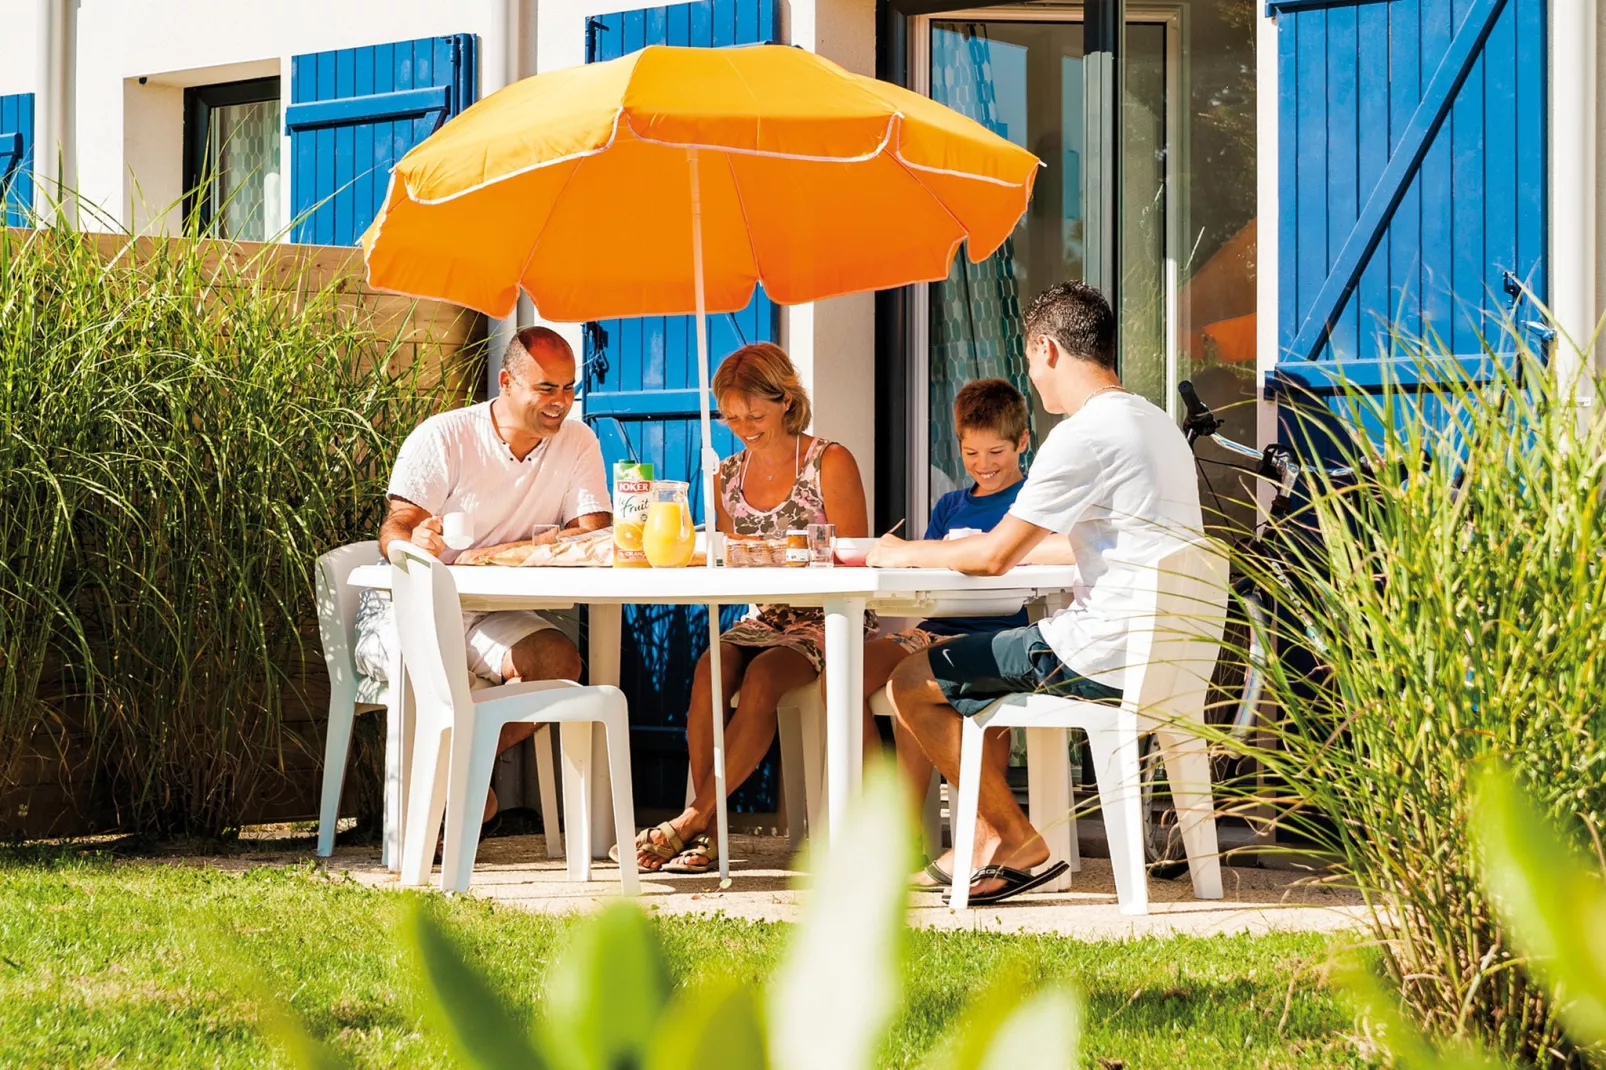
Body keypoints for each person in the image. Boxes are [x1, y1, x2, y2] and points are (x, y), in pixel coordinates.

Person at [868, 282, 1203, 905]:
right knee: (960, 660)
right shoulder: (1153, 424)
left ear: (1047, 349)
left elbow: (996, 555)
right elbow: (1074, 544)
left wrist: (897, 551)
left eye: (1029, 360)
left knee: (912, 680)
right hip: (1163, 654)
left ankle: (1010, 835)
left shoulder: (1083, 434)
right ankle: (995, 838)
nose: (1033, 378)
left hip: (1097, 652)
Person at [624, 343, 872, 874]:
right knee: (707, 676)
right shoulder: (726, 476)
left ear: (786, 400)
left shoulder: (829, 461)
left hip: (829, 616)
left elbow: (855, 554)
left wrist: (792, 558)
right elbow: (737, 561)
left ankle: (692, 818)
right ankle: (707, 835)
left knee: (760, 680)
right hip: (768, 617)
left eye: (755, 414)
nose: (744, 426)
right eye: (731, 416)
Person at [354, 326, 611, 823]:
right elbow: (394, 530)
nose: (561, 402)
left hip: (491, 611)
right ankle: (449, 801)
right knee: (435, 672)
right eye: (546, 388)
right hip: (411, 610)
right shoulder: (444, 436)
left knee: (559, 663)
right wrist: (417, 543)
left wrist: (501, 553)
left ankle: (463, 767)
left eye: (567, 389)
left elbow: (593, 533)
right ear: (507, 382)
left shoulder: (577, 441)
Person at [852, 378, 1070, 887]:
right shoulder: (950, 506)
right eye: (971, 452)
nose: (983, 463)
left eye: (996, 450)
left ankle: (939, 834)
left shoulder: (1031, 501)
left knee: (914, 689)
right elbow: (927, 569)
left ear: (1022, 442)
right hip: (933, 628)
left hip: (995, 629)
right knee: (842, 679)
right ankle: (881, 821)